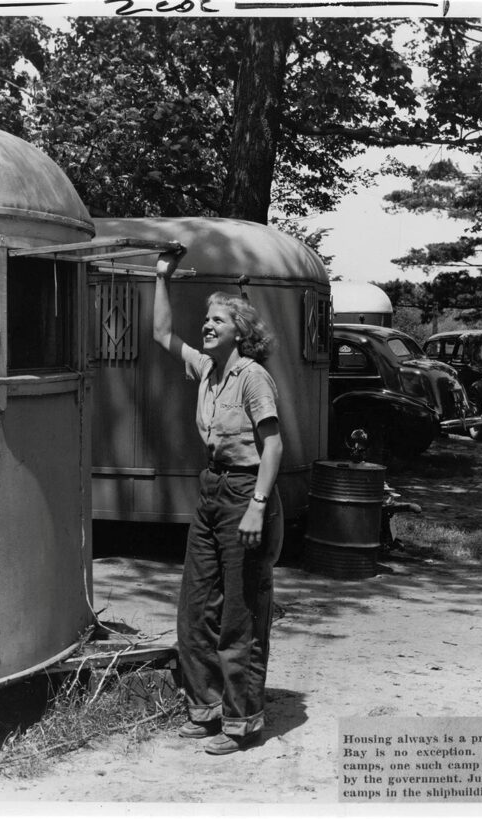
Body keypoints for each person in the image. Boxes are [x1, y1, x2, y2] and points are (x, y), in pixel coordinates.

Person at [152, 249, 284, 756]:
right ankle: (204, 708)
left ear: (240, 330)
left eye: (217, 319)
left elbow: (273, 445)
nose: (206, 326)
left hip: (245, 492)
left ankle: (241, 719)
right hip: (210, 490)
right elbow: (163, 336)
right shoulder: (207, 369)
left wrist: (256, 503)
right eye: (206, 319)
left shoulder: (252, 376)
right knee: (196, 606)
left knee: (241, 612)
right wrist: (161, 278)